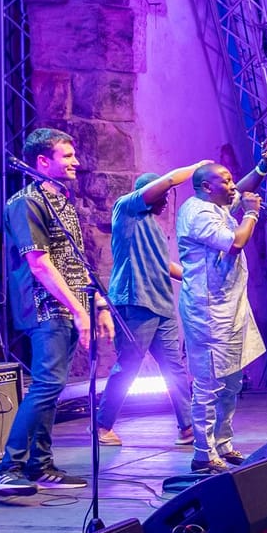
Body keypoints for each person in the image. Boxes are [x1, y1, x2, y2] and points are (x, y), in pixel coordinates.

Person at [0, 128, 109, 495]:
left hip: (69, 306)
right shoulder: (25, 202)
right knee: (47, 384)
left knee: (52, 387)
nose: (76, 162)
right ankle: (7, 468)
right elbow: (39, 265)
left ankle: (39, 464)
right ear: (42, 161)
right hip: (45, 307)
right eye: (66, 156)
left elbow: (75, 259)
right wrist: (77, 310)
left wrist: (97, 303)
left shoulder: (63, 200)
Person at [177, 142, 267, 473]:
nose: (233, 187)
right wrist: (251, 212)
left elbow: (244, 189)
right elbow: (236, 242)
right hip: (208, 313)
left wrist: (263, 166)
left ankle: (223, 443)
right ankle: (202, 454)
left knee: (233, 382)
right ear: (207, 187)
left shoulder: (216, 204)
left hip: (231, 308)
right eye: (226, 181)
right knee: (209, 384)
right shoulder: (197, 213)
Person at [96, 160, 208, 447]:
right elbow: (170, 180)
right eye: (162, 196)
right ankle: (101, 426)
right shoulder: (127, 209)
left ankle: (186, 427)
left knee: (175, 368)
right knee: (129, 365)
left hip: (161, 305)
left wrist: (193, 277)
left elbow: (164, 264)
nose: (166, 201)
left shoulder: (154, 229)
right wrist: (198, 167)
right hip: (136, 302)